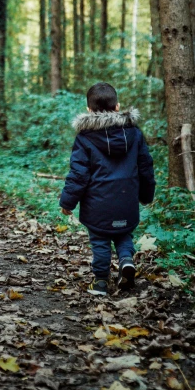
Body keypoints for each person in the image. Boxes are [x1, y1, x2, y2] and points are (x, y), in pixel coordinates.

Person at [59, 82, 155, 296]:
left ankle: (101, 282)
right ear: (118, 107)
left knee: (100, 239)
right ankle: (126, 261)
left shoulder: (84, 138)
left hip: (97, 204)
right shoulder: (135, 134)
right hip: (126, 200)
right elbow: (146, 166)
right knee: (123, 235)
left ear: (89, 110)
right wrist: (147, 195)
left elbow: (79, 174)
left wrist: (67, 202)